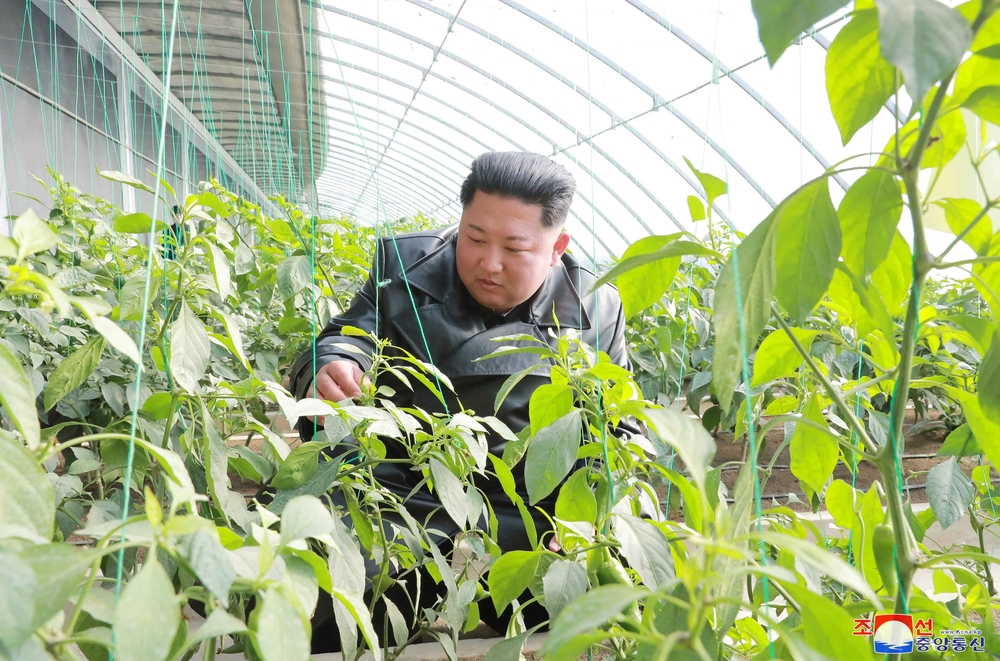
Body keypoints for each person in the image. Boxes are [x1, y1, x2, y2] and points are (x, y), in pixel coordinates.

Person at [287, 151, 632, 652]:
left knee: (613, 604)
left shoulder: (594, 306)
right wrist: (332, 363)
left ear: (557, 248)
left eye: (515, 249)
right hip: (402, 491)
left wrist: (595, 513)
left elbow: (618, 426)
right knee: (318, 593)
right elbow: (350, 334)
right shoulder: (406, 266)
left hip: (527, 509)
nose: (488, 264)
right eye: (474, 239)